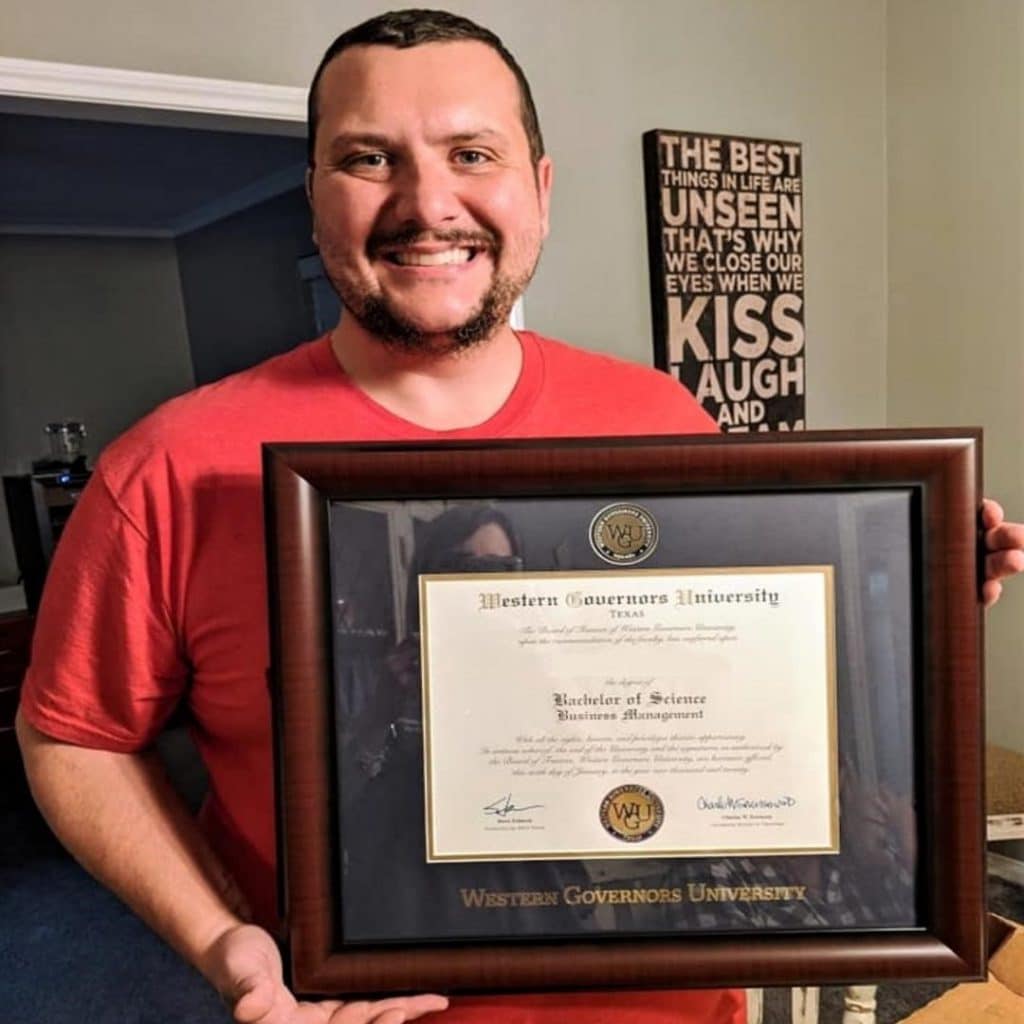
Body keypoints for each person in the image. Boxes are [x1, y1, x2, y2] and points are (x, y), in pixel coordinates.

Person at [14, 9, 1024, 1024]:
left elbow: (739, 671)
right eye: (370, 158)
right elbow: (74, 735)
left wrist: (909, 574)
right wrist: (216, 931)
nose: (427, 202)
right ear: (313, 194)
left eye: (470, 152)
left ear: (538, 186)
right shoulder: (167, 466)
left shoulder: (664, 420)